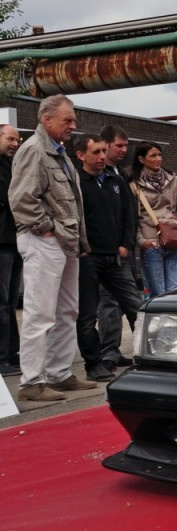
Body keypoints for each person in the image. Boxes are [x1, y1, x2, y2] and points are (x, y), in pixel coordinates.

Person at [8, 94, 97, 401]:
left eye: (73, 120)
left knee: (67, 311)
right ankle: (31, 382)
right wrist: (48, 228)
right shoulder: (34, 149)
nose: (73, 125)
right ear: (47, 120)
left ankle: (59, 374)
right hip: (45, 240)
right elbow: (21, 200)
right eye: (67, 120)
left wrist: (74, 239)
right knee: (40, 313)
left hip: (62, 241)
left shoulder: (58, 151)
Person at [73, 133, 141, 382]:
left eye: (104, 151)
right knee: (88, 314)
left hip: (116, 257)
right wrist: (81, 247)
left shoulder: (116, 180)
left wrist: (125, 244)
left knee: (137, 307)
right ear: (81, 155)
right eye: (96, 152)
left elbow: (128, 215)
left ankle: (148, 356)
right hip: (88, 258)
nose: (102, 156)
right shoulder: (76, 182)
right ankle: (94, 364)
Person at [95, 124, 136, 368]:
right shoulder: (95, 176)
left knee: (130, 302)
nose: (123, 150)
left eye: (125, 146)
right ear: (106, 144)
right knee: (109, 302)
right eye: (119, 145)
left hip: (123, 248)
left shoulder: (120, 175)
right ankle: (109, 352)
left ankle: (127, 349)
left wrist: (127, 243)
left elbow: (128, 213)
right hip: (104, 251)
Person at [129, 142, 177, 296]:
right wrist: (142, 242)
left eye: (159, 155)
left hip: (175, 240)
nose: (158, 159)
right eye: (153, 155)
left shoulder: (173, 179)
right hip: (152, 242)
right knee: (158, 294)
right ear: (141, 159)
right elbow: (133, 217)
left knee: (174, 292)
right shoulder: (134, 184)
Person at [0, 124, 22, 376]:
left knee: (11, 302)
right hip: (3, 242)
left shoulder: (11, 165)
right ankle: (2, 358)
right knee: (3, 302)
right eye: (10, 139)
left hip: (14, 240)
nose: (15, 144)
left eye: (17, 140)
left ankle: (11, 354)